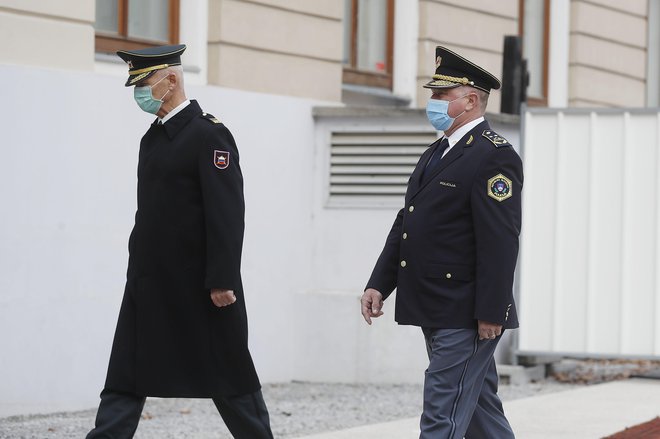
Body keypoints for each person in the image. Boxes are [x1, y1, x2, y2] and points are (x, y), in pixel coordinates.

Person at [87, 44, 273, 439]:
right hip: (150, 283)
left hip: (199, 286)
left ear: (170, 80)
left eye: (144, 82)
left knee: (230, 375)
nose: (138, 92)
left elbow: (226, 214)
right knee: (125, 375)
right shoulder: (152, 139)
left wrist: (222, 278)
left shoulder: (209, 135)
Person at [360, 46, 523, 439]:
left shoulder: (493, 157)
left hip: (466, 311)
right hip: (435, 304)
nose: (432, 103)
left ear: (470, 100)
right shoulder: (437, 152)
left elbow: (500, 240)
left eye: (441, 96)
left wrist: (491, 312)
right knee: (480, 412)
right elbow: (408, 222)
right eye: (433, 94)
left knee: (441, 413)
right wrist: (379, 282)